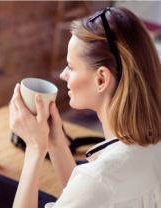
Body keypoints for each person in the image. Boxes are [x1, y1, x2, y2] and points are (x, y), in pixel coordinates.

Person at [10, 7, 161, 208]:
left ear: (101, 79)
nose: (64, 75)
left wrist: (34, 148)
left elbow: (94, 189)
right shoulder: (149, 149)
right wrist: (56, 143)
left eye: (71, 67)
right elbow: (88, 198)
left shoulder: (98, 180)